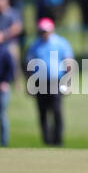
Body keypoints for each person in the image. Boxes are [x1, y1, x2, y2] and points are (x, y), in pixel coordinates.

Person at [26, 18, 73, 146]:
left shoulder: (61, 43)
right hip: (39, 83)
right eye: (42, 31)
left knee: (57, 111)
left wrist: (68, 82)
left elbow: (69, 64)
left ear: (52, 30)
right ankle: (46, 141)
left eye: (46, 31)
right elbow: (28, 66)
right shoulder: (34, 45)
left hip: (56, 82)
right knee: (42, 112)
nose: (44, 33)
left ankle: (58, 140)